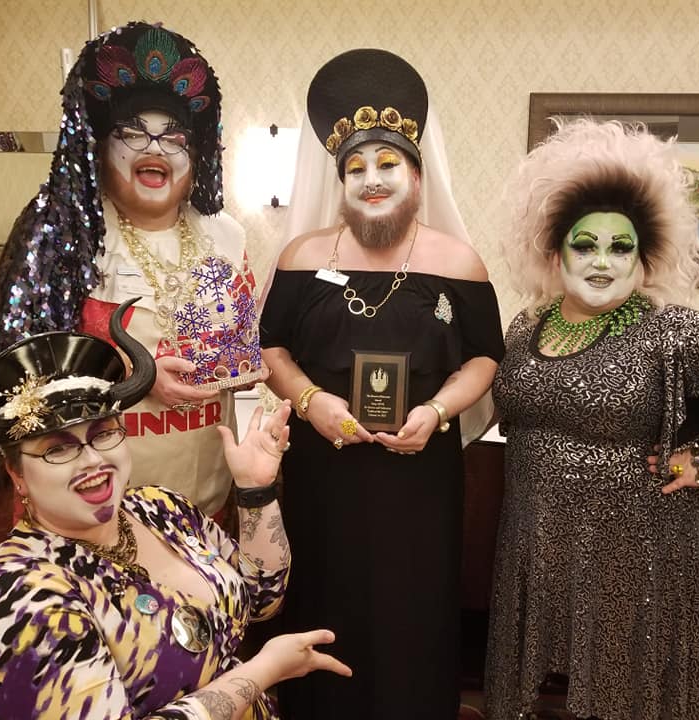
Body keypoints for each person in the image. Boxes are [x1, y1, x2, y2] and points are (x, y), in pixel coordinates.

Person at [0, 299, 351, 719]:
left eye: (103, 433)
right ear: (17, 475)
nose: (92, 461)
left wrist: (255, 492)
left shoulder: (161, 509)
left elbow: (262, 598)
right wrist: (259, 674)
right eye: (57, 449)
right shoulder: (17, 601)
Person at [485, 118, 699, 720]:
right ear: (555, 251)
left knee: (626, 694)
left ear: (644, 258)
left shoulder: (671, 329)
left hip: (637, 546)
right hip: (536, 540)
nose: (602, 261)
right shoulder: (528, 325)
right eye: (585, 244)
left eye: (620, 247)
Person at [259, 49, 504, 718]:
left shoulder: (460, 264)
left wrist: (437, 410)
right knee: (325, 598)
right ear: (340, 182)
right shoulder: (302, 256)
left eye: (388, 164)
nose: (372, 180)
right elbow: (270, 348)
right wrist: (311, 401)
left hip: (420, 472)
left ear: (417, 178)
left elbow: (486, 357)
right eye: (356, 168)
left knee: (411, 611)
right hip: (323, 471)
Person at [0, 21, 261, 516]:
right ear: (99, 147)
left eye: (174, 137)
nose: (155, 148)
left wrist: (242, 368)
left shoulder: (226, 235)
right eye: (132, 134)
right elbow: (12, 369)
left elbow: (245, 344)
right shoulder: (64, 230)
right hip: (94, 502)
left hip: (207, 495)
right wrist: (134, 376)